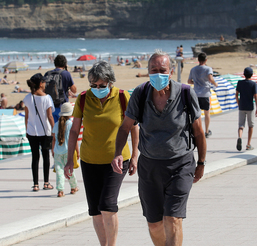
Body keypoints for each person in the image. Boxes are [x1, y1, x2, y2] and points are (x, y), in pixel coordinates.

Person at [112, 50, 206, 246]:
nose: (157, 74)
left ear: (170, 72)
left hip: (180, 164)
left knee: (172, 218)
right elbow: (125, 127)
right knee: (154, 224)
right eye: (153, 70)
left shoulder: (186, 93)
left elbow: (198, 132)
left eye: (162, 70)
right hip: (150, 167)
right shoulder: (140, 93)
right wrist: (118, 153)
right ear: (147, 71)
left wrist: (201, 163)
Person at [64, 60, 139, 246]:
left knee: (107, 205)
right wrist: (68, 160)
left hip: (117, 160)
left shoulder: (123, 97)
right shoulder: (83, 98)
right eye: (93, 85)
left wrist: (136, 155)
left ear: (110, 82)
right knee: (95, 210)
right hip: (89, 161)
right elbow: (74, 131)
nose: (97, 88)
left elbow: (134, 127)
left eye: (102, 85)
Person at [23, 73, 55, 192]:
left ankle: (35, 184)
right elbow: (50, 116)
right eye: (44, 82)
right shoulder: (46, 98)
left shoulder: (27, 98)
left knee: (35, 157)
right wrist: (54, 130)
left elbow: (26, 116)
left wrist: (26, 129)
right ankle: (46, 182)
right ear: (40, 84)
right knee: (46, 156)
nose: (45, 84)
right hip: (45, 131)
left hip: (32, 131)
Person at [188, 52, 218, 138]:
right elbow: (210, 78)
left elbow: (189, 81)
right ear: (206, 60)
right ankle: (206, 131)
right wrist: (215, 84)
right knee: (207, 112)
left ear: (198, 60)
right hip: (205, 93)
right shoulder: (208, 69)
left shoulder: (193, 69)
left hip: (196, 93)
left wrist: (196, 83)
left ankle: (197, 129)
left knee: (197, 113)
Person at [52, 102, 79, 198]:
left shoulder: (56, 125)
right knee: (69, 170)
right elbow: (74, 140)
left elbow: (54, 139)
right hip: (68, 151)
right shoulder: (71, 124)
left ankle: (60, 190)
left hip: (57, 152)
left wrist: (53, 150)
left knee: (59, 171)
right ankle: (73, 187)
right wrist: (77, 151)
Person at [44, 54, 77, 122]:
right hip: (62, 107)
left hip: (50, 106)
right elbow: (74, 90)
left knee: (54, 130)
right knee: (65, 129)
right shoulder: (66, 74)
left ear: (55, 64)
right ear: (65, 64)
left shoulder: (48, 74)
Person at [235, 67, 257, 151]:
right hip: (250, 107)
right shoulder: (253, 84)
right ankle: (248, 144)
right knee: (250, 126)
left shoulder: (240, 83)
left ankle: (240, 137)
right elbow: (256, 96)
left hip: (242, 106)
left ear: (244, 74)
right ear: (251, 75)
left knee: (241, 125)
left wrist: (239, 103)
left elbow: (236, 94)